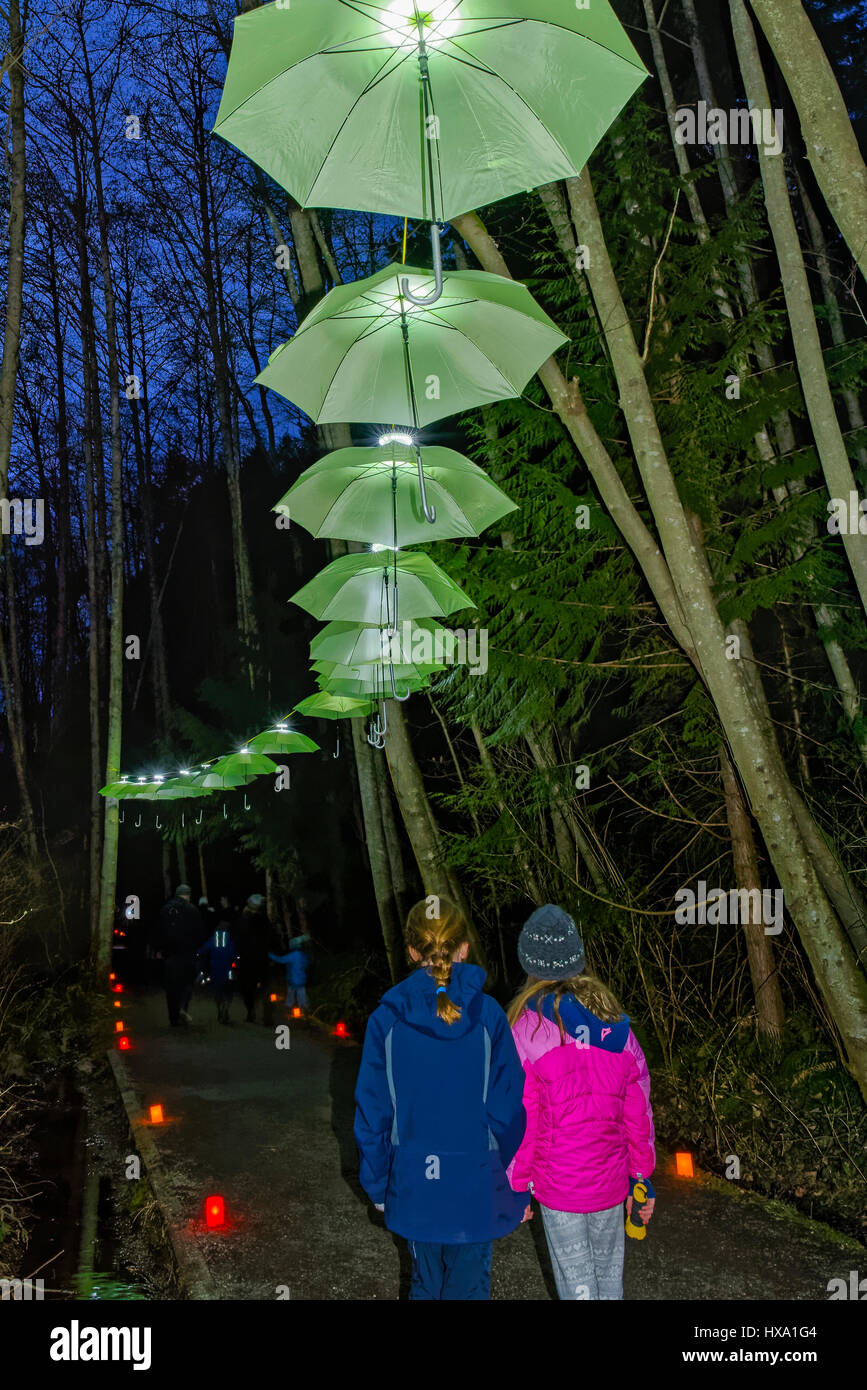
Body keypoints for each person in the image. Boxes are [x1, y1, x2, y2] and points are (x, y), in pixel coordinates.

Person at [354, 897, 530, 1301]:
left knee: (425, 1284)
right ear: (464, 948)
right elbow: (508, 1110)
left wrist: (379, 1185)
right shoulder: (489, 1017)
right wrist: (512, 1181)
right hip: (477, 1183)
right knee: (469, 1289)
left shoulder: (386, 1021)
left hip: (416, 1184)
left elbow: (373, 1114)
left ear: (412, 951)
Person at [506, 904, 656, 1301]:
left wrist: (517, 1185)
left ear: (529, 964)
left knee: (578, 1288)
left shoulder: (526, 1029)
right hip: (609, 1184)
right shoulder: (615, 1024)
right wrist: (641, 1176)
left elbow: (523, 1120)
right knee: (608, 1282)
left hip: (560, 1188)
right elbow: (638, 1109)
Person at [155, 884, 211, 1027]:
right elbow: (200, 934)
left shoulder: (165, 909)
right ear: (188, 895)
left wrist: (159, 949)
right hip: (188, 955)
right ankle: (182, 1009)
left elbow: (159, 932)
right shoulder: (193, 911)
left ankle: (173, 1017)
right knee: (186, 985)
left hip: (170, 955)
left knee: (171, 986)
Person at [232, 893, 273, 1024]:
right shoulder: (264, 920)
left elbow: (237, 938)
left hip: (247, 959)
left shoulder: (244, 920)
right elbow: (271, 939)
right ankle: (266, 1014)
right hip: (262, 958)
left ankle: (251, 1011)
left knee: (247, 987)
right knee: (264, 986)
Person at [201, 922, 235, 1025]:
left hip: (215, 969)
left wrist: (198, 953)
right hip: (227, 969)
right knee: (229, 991)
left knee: (217, 991)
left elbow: (204, 949)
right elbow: (233, 953)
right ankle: (226, 1007)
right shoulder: (229, 940)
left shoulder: (212, 939)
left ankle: (220, 1008)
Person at [268, 933, 311, 1011]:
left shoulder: (294, 955)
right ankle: (304, 1007)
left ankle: (290, 1005)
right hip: (301, 978)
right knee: (301, 993)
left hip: (293, 978)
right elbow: (307, 964)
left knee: (292, 992)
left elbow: (281, 960)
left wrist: (270, 955)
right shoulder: (303, 954)